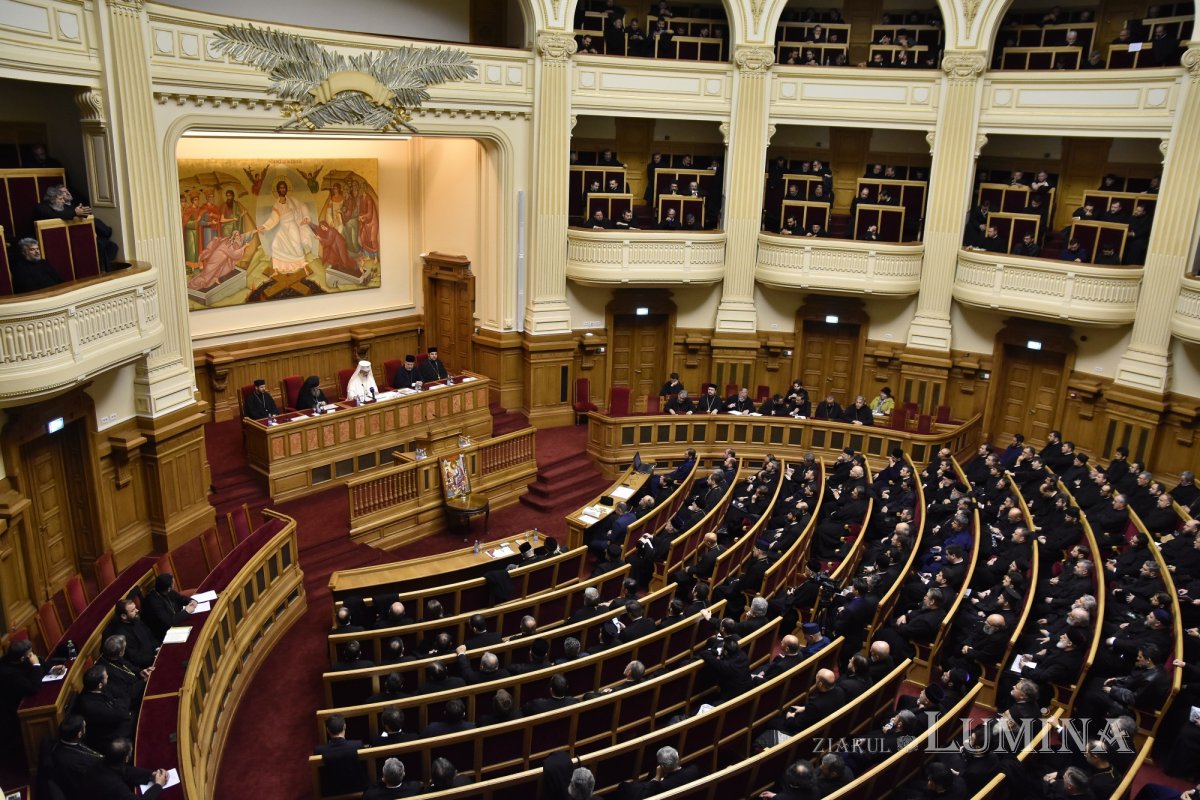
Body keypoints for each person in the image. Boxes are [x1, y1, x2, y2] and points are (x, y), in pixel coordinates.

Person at [33, 184, 119, 270]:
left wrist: (83, 212)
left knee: (106, 245)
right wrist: (75, 212)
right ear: (52, 200)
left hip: (70, 237)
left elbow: (71, 212)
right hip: (53, 242)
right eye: (60, 199)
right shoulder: (42, 208)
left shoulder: (61, 206)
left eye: (63, 199)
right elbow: (56, 215)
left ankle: (103, 269)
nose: (63, 201)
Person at [256, 179, 319, 276]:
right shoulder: (276, 204)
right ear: (278, 190)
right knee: (275, 245)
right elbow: (274, 218)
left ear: (286, 189)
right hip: (283, 227)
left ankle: (304, 267)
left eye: (284, 187)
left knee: (296, 245)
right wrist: (264, 227)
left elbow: (302, 206)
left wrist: (306, 216)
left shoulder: (292, 201)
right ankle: (277, 269)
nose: (282, 189)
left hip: (292, 225)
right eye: (280, 188)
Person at [91, 737, 169, 799]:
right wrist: (158, 785)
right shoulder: (114, 785)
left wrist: (151, 774)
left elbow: (126, 771)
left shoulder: (106, 762)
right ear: (126, 759)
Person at [314, 714, 365, 796]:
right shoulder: (357, 745)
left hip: (331, 792)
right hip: (357, 788)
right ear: (345, 727)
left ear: (327, 730)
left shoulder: (319, 750)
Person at [142, 573, 196, 641]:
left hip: (177, 623)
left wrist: (191, 601)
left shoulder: (166, 591)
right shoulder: (153, 602)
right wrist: (186, 611)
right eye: (173, 584)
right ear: (168, 588)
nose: (174, 585)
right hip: (165, 634)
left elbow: (181, 598)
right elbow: (169, 622)